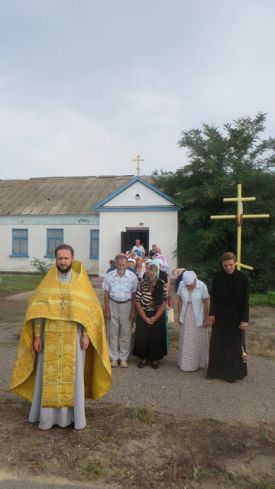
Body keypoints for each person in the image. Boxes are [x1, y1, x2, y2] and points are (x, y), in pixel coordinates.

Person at [10, 244, 112, 430]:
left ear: (72, 258)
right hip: (49, 339)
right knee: (46, 377)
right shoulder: (47, 282)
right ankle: (46, 418)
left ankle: (74, 418)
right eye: (59, 258)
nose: (63, 261)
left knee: (73, 377)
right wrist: (38, 336)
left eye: (66, 258)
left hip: (75, 338)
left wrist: (87, 335)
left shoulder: (81, 281)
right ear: (55, 259)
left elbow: (90, 311)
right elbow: (38, 311)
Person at [206, 252, 249, 383]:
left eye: (231, 265)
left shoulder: (243, 278)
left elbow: (245, 301)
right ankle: (214, 371)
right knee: (217, 342)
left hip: (236, 315)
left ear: (235, 263)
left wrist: (244, 319)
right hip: (220, 314)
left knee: (234, 344)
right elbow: (213, 297)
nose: (228, 268)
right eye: (225, 265)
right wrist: (211, 313)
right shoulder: (218, 277)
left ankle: (232, 373)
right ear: (222, 265)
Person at [103, 253, 138, 368]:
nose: (121, 267)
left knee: (126, 332)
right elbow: (106, 293)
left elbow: (134, 295)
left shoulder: (133, 277)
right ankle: (113, 357)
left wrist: (133, 311)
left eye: (124, 265)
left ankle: (123, 358)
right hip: (113, 304)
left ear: (127, 264)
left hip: (127, 306)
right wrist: (107, 309)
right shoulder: (109, 275)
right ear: (116, 264)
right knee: (112, 332)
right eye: (119, 265)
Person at [133, 263, 168, 369]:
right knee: (142, 336)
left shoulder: (162, 284)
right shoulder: (141, 284)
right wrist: (145, 318)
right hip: (144, 313)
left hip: (157, 314)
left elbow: (164, 302)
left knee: (155, 337)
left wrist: (155, 317)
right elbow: (137, 302)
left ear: (156, 273)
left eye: (153, 272)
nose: (151, 274)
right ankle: (143, 358)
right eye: (149, 271)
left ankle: (154, 359)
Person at [176, 271, 210, 372]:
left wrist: (206, 318)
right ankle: (185, 363)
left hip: (198, 314)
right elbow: (179, 300)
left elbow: (206, 302)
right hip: (185, 313)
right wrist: (179, 315)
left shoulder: (202, 286)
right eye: (187, 285)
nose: (189, 286)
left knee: (196, 338)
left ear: (195, 280)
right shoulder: (182, 284)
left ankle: (197, 363)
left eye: (190, 284)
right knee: (186, 339)